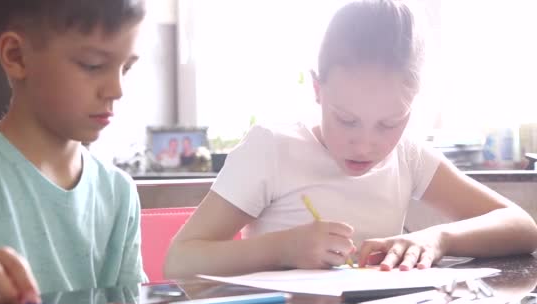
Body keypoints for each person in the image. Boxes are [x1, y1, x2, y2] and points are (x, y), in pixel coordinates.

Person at [164, 0, 537, 278]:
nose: (365, 145)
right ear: (317, 89)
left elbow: (522, 227)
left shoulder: (407, 155)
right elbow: (180, 259)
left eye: (389, 123)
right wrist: (284, 248)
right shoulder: (271, 149)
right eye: (346, 119)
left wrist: (436, 239)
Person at [0, 0, 147, 304]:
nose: (117, 89)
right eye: (93, 65)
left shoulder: (119, 192)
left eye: (126, 68)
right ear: (16, 56)